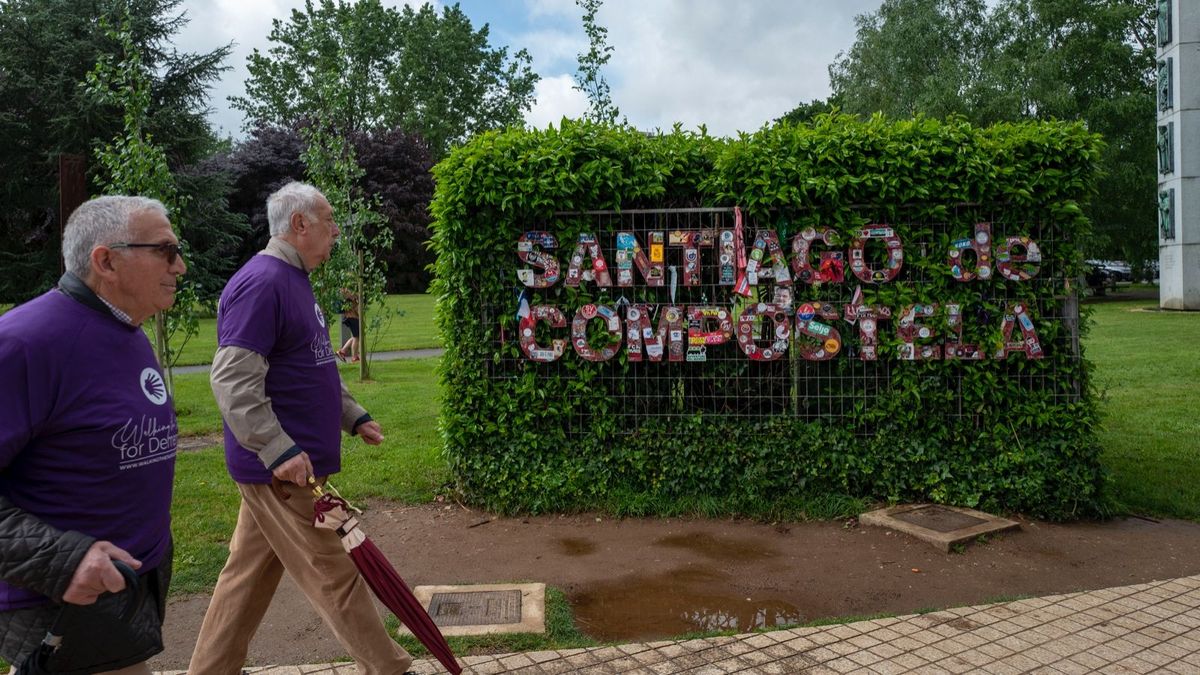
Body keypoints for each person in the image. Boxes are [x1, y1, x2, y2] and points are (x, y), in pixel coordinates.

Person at [187, 182, 413, 675]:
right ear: (299, 225)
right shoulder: (262, 283)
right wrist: (277, 449)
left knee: (244, 579)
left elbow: (314, 367)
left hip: (287, 465)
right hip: (285, 472)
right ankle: (390, 667)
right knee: (337, 574)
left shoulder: (294, 279)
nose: (336, 230)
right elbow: (231, 378)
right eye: (329, 220)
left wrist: (353, 416)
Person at [0, 196, 186, 672]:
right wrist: (62, 559)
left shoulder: (128, 330)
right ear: (106, 260)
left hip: (119, 592)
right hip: (59, 602)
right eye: (165, 251)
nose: (180, 267)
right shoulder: (25, 342)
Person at [337, 288, 360, 363]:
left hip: (351, 316)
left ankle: (342, 351)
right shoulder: (345, 290)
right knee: (356, 337)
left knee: (355, 336)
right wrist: (357, 295)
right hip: (352, 316)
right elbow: (354, 296)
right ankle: (354, 357)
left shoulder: (345, 289)